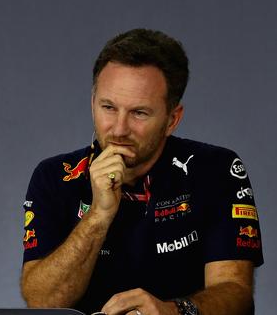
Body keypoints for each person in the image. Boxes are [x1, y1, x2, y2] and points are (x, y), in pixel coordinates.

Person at [20, 29, 263, 315]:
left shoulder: (216, 170)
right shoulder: (55, 176)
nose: (119, 129)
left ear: (172, 119)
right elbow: (42, 302)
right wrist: (99, 215)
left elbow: (236, 293)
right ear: (92, 103)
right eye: (108, 107)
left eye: (139, 113)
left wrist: (173, 312)